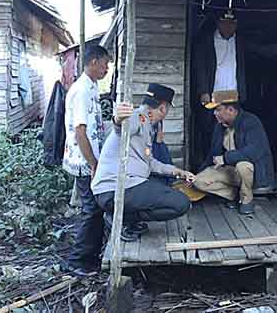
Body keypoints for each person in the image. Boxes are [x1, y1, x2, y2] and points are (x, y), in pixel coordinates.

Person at [92, 84, 194, 242]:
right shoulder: (137, 117)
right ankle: (123, 219)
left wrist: (177, 172)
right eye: (167, 109)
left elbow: (150, 161)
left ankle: (124, 217)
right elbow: (122, 128)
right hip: (115, 188)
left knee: (163, 186)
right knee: (181, 203)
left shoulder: (147, 124)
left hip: (123, 186)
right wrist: (118, 119)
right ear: (163, 108)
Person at [61, 45, 110, 276]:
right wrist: (93, 163)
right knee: (91, 210)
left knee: (96, 209)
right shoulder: (81, 90)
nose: (107, 69)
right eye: (104, 64)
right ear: (93, 62)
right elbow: (80, 131)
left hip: (89, 158)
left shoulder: (90, 87)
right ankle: (78, 261)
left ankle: (90, 257)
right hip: (83, 161)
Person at [193, 90, 275, 215]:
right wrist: (198, 173)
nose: (215, 113)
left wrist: (225, 158)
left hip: (252, 172)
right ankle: (235, 195)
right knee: (198, 181)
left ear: (230, 110)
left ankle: (247, 199)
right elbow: (212, 154)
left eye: (218, 110)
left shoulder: (251, 121)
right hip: (230, 171)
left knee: (243, 166)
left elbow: (254, 151)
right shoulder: (219, 126)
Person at [193, 10, 247, 166]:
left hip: (233, 95)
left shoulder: (239, 41)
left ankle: (230, 163)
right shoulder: (207, 40)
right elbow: (200, 66)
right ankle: (208, 164)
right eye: (225, 23)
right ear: (218, 23)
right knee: (211, 131)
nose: (229, 27)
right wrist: (203, 90)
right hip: (213, 94)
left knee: (234, 131)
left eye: (232, 24)